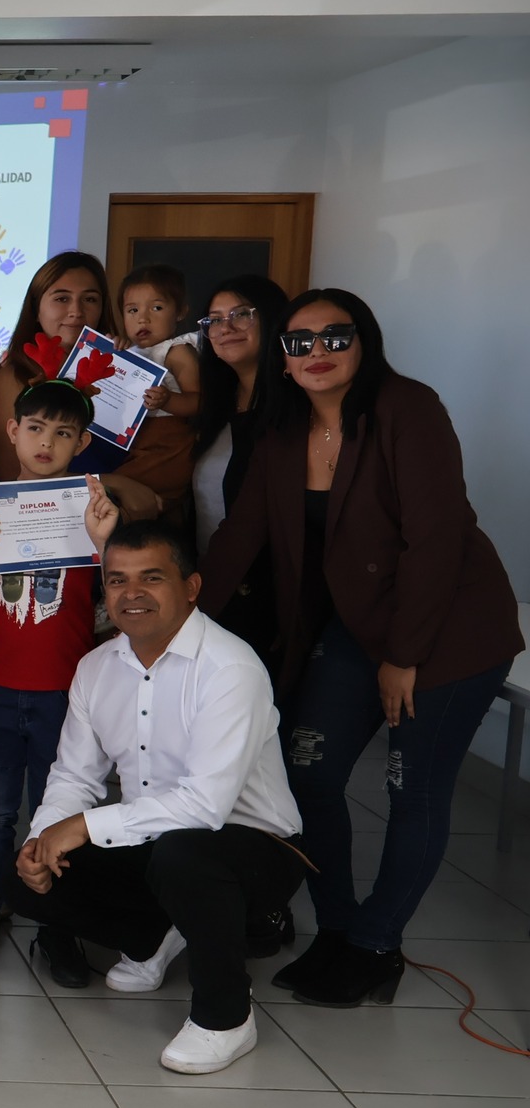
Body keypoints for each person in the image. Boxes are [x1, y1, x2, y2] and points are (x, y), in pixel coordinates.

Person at [199, 289, 521, 1007]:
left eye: (334, 337)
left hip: (448, 631)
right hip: (359, 624)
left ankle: (377, 943)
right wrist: (173, 621)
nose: (317, 352)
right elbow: (238, 537)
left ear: (364, 342)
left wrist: (404, 656)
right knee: (307, 771)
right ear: (281, 357)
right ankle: (338, 929)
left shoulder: (408, 409)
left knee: (414, 788)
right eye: (299, 341)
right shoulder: (282, 431)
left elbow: (436, 541)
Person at [8, 520, 307, 1075]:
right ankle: (155, 933)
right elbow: (74, 775)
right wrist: (42, 835)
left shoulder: (230, 668)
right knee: (26, 876)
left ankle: (227, 1017)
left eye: (152, 577)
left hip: (256, 846)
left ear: (191, 586)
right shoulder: (96, 668)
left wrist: (84, 828)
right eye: (117, 580)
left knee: (184, 854)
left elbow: (205, 806)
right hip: (154, 840)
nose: (132, 593)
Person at [0, 381, 111, 975]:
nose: (47, 442)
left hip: (68, 695)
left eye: (64, 433)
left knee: (56, 811)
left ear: (83, 442)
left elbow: (122, 588)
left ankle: (56, 923)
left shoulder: (94, 511)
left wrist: (107, 543)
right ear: (11, 431)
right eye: (35, 428)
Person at [188, 275, 289, 662]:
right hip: (215, 587)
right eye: (213, 319)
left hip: (267, 600)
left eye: (241, 315)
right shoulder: (218, 404)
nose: (225, 327)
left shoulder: (294, 405)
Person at [0, 252, 115, 483]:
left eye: (90, 299)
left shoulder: (121, 370)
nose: (76, 311)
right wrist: (112, 484)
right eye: (62, 298)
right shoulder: (11, 378)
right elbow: (11, 474)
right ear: (36, 308)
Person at [108, 264, 203, 519]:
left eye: (157, 308)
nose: (143, 318)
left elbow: (198, 401)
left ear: (181, 311)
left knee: (127, 490)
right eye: (132, 310)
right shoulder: (130, 350)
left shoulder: (176, 351)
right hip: (133, 440)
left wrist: (169, 400)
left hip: (165, 442)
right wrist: (113, 352)